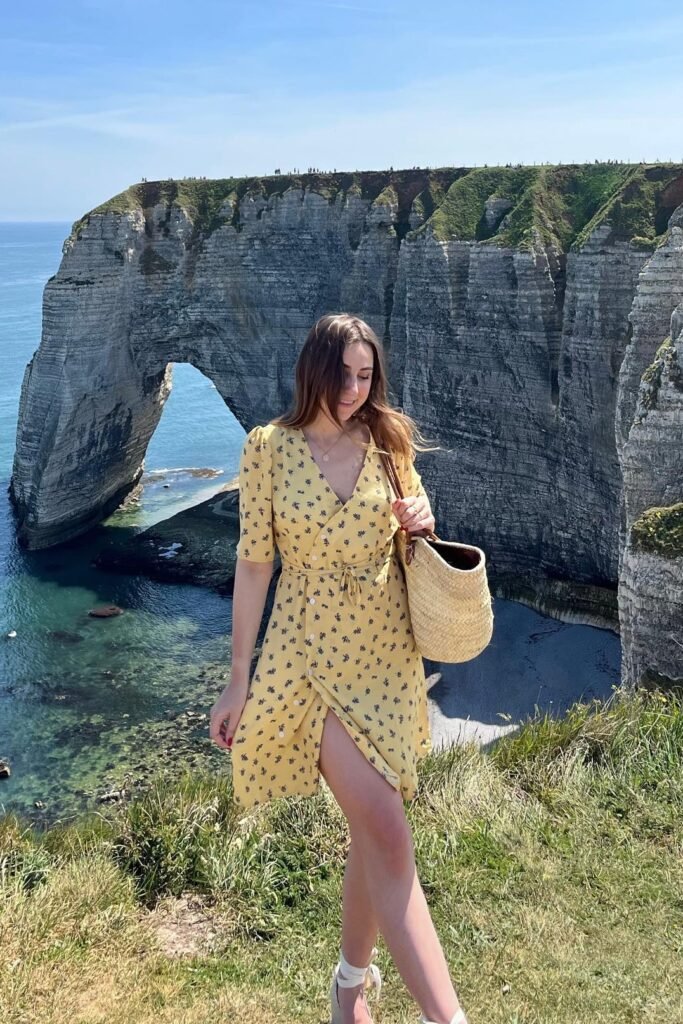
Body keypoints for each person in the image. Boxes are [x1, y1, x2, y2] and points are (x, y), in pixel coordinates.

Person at [210, 314, 468, 1024]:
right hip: (306, 657)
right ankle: (447, 1019)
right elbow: (255, 562)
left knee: (370, 826)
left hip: (385, 654)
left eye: (365, 375)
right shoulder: (267, 447)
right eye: (343, 374)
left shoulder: (388, 442)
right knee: (385, 825)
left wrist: (421, 518)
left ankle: (349, 987)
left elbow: (414, 536)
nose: (354, 389)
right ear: (312, 370)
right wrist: (239, 676)